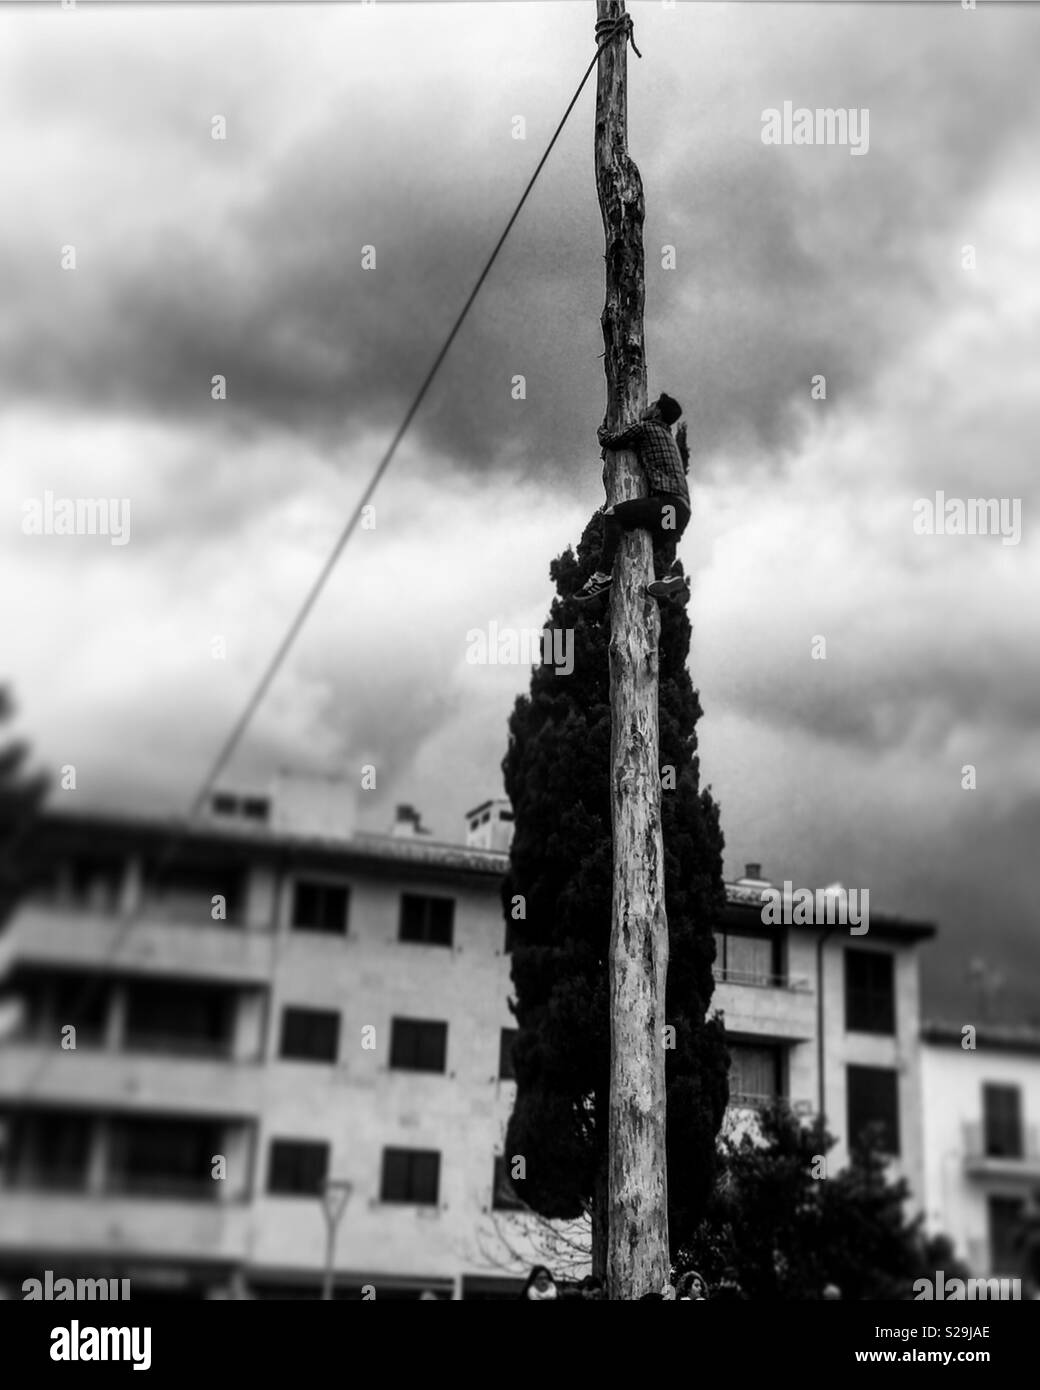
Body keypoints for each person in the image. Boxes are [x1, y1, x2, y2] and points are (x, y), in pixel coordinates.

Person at [575, 393, 691, 605]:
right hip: (680, 512)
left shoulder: (646, 427)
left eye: (652, 404)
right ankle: (667, 577)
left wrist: (602, 428)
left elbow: (611, 440)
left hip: (667, 505)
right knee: (647, 544)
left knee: (612, 515)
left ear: (656, 412)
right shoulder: (669, 439)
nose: (647, 406)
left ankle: (602, 576)